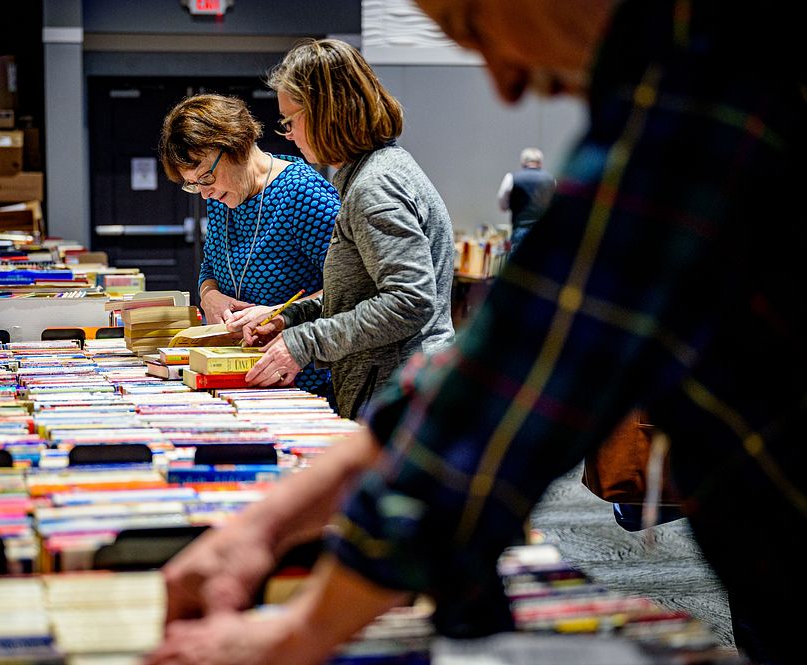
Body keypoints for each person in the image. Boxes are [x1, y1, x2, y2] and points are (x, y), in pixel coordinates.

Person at [148, 2, 806, 664]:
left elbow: (519, 363)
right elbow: (498, 358)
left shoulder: (713, 78)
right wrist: (266, 526)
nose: (503, 83)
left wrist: (303, 625)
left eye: (475, 27)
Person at [221, 39, 455, 420]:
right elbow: (359, 294)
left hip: (397, 398)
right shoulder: (376, 171)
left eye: (290, 121)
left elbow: (410, 301)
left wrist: (303, 343)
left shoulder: (375, 186)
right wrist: (289, 318)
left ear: (326, 112)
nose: (289, 135)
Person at [159, 93, 339, 397]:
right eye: (194, 184)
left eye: (205, 178)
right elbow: (210, 266)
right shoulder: (224, 197)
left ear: (236, 146)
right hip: (238, 377)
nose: (204, 194)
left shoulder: (302, 193)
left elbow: (348, 287)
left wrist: (279, 313)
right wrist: (210, 294)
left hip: (300, 381)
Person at [496, 147, 555, 253]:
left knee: (519, 267)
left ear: (523, 162)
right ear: (540, 162)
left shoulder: (512, 178)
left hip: (521, 229)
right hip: (545, 231)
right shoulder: (551, 179)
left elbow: (502, 204)